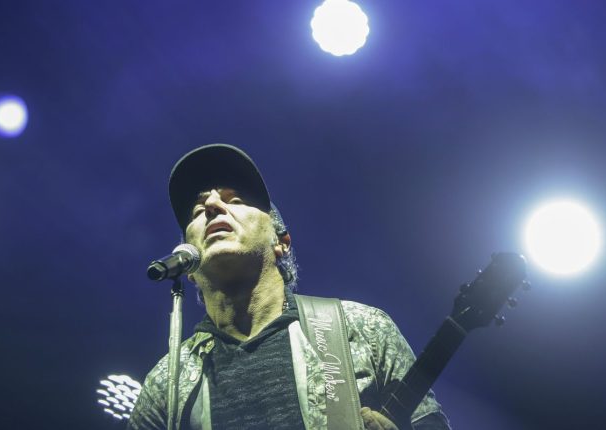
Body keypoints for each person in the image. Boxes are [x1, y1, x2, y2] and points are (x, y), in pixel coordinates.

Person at [128, 144, 451, 430]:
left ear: (281, 242)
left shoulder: (361, 327)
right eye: (198, 211)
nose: (212, 205)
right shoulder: (166, 384)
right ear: (190, 269)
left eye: (235, 199)